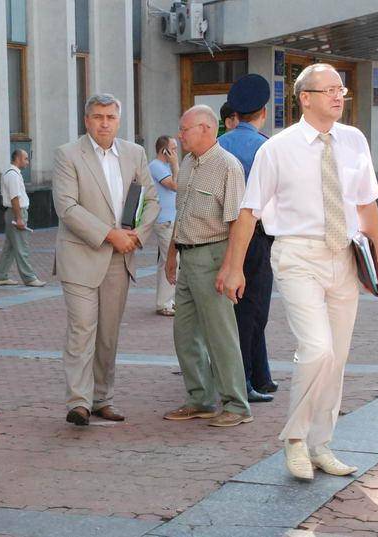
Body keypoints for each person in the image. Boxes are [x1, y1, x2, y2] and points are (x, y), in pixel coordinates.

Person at [223, 64, 378, 480]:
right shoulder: (276, 149)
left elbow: (366, 204)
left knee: (338, 356)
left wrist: (377, 260)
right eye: (328, 89)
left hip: (345, 256)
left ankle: (320, 443)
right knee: (317, 349)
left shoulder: (354, 140)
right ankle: (294, 439)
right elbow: (249, 211)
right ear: (305, 98)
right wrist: (234, 267)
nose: (338, 95)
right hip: (297, 255)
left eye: (340, 88)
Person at [53, 93, 160, 426]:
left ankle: (102, 398)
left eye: (110, 117)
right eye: (97, 117)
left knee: (108, 334)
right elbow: (67, 207)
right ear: (87, 120)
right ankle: (79, 402)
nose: (104, 123)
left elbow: (151, 200)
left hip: (120, 257)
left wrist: (137, 235)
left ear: (118, 120)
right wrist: (110, 234)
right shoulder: (68, 154)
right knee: (82, 328)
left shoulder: (135, 153)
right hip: (81, 256)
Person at [162, 105, 252, 428]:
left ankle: (237, 405)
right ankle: (200, 399)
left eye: (185, 129)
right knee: (185, 333)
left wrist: (231, 267)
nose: (180, 135)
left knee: (220, 335)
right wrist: (172, 254)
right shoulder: (188, 162)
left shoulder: (228, 166)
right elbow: (182, 211)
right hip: (188, 256)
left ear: (206, 129)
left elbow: (237, 223)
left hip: (214, 256)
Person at [217, 74, 278, 404]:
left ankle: (261, 375)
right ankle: (245, 381)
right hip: (257, 235)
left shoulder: (219, 146)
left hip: (222, 234)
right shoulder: (267, 148)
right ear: (263, 113)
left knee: (239, 310)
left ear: (235, 114)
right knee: (253, 310)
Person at [0, 149, 46, 287]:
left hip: (14, 212)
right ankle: (29, 278)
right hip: (16, 212)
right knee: (22, 247)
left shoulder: (12, 173)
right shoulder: (13, 175)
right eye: (26, 159)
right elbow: (14, 198)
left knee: (10, 247)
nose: (28, 162)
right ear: (18, 158)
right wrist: (19, 218)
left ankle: (1, 276)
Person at [149, 135, 179, 316]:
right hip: (164, 221)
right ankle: (165, 302)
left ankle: (166, 300)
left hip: (172, 219)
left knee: (165, 261)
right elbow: (175, 186)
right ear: (164, 150)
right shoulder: (156, 166)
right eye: (173, 149)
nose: (176, 153)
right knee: (171, 260)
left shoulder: (166, 167)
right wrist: (175, 165)